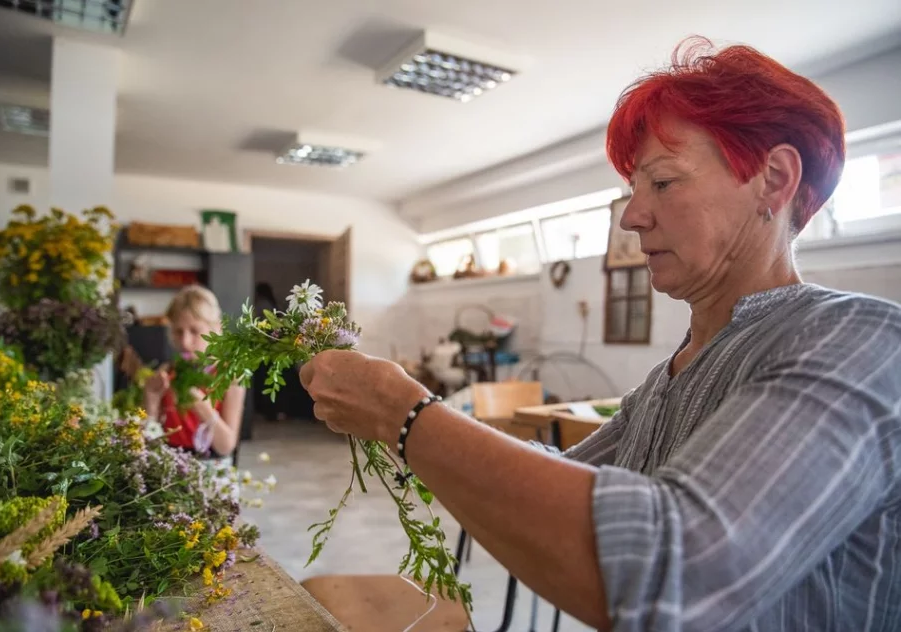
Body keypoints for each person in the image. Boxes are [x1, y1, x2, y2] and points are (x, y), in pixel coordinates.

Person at [298, 38, 901, 631]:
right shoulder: (668, 382)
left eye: (662, 182)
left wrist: (404, 414)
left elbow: (677, 570)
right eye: (632, 190)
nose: (632, 217)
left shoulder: (860, 343)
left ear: (773, 178)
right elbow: (554, 487)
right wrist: (396, 417)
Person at [143, 285, 246, 466]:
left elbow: (226, 446)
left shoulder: (230, 376)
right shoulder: (167, 373)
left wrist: (202, 406)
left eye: (195, 331)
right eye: (178, 331)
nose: (185, 342)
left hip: (213, 468)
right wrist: (151, 399)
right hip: (171, 464)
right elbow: (148, 441)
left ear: (216, 330)